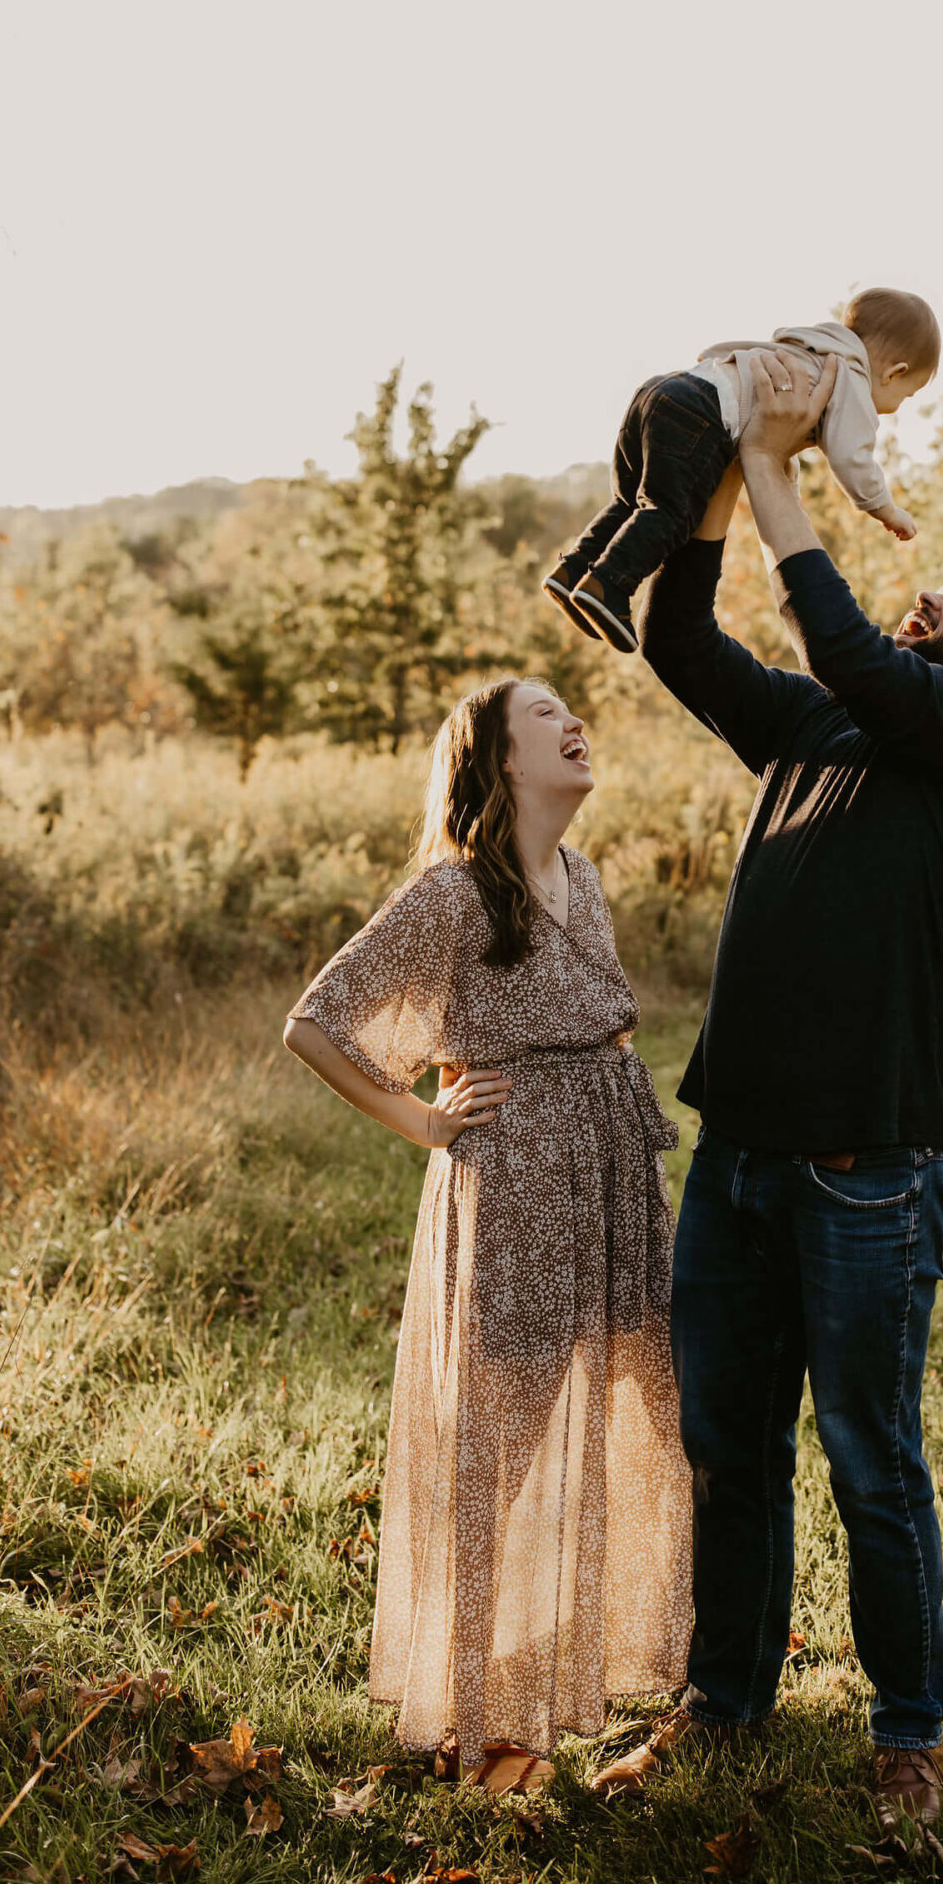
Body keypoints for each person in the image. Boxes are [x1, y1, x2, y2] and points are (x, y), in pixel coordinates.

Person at [594, 349, 943, 1831]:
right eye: (940, 586)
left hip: (871, 1167)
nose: (935, 597)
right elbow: (680, 647)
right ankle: (722, 1704)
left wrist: (782, 470)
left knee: (867, 1457)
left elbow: (851, 644)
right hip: (738, 1160)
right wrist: (716, 487)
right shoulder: (817, 729)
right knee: (728, 1450)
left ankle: (906, 1730)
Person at [283, 679, 691, 1794]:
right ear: (500, 759)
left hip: (605, 1177)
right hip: (512, 1189)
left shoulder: (585, 878)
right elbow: (317, 1019)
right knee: (503, 1453)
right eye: (547, 715)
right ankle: (476, 1718)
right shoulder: (456, 895)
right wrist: (419, 1117)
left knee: (616, 1425)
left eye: (575, 708)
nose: (576, 723)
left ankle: (566, 1685)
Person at [542, 286, 940, 654]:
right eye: (905, 396)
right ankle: (609, 586)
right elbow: (852, 455)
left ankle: (574, 569)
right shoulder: (851, 378)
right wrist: (885, 508)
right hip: (704, 415)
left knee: (632, 501)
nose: (895, 406)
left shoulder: (809, 347)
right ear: (895, 372)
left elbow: (781, 446)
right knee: (672, 511)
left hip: (666, 390)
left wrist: (787, 496)